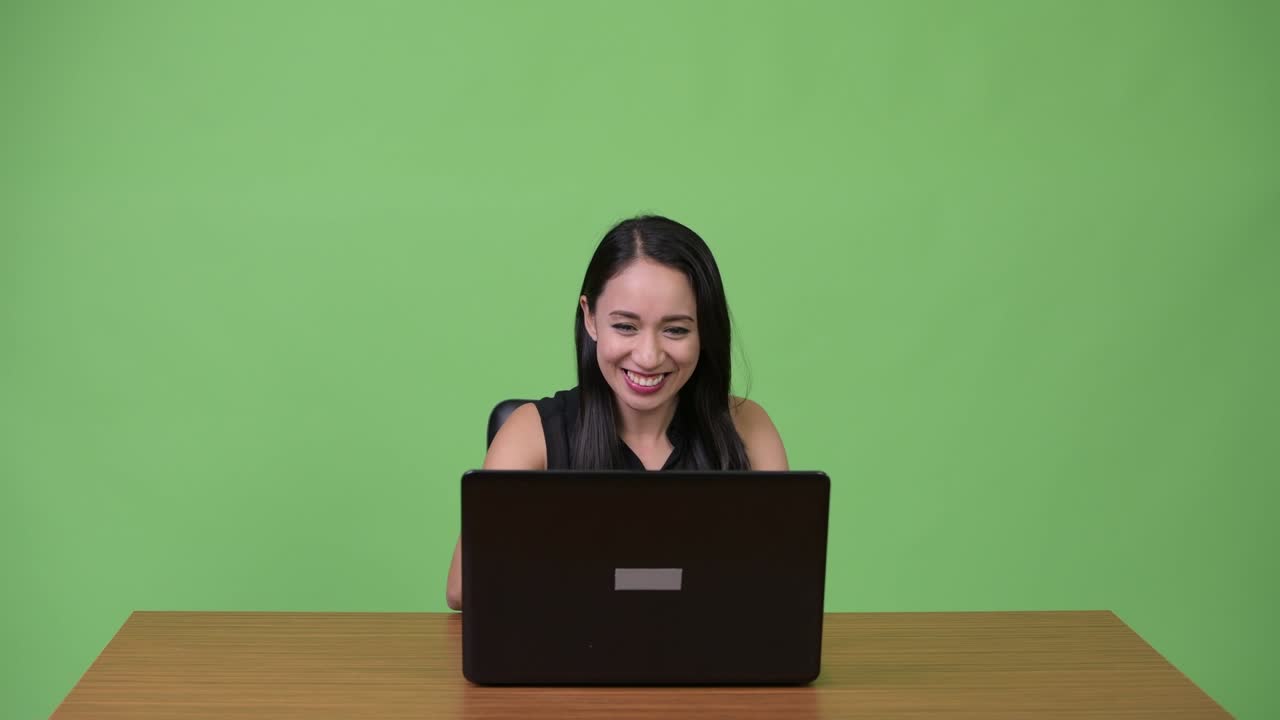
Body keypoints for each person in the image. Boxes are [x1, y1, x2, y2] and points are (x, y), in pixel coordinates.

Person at [445, 215, 788, 611]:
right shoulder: (531, 431)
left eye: (676, 330)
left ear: (704, 330)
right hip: (572, 646)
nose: (648, 356)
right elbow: (462, 588)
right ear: (590, 318)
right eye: (625, 326)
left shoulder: (747, 425)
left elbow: (784, 577)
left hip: (708, 647)